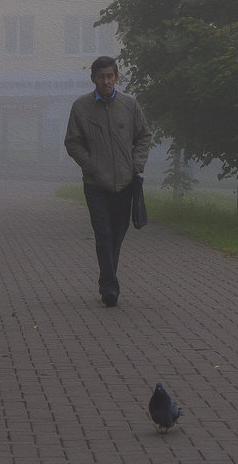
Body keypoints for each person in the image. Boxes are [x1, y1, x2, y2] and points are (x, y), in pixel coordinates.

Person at [64, 55, 153, 307]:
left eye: (110, 76)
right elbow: (72, 142)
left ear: (116, 77)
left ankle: (108, 279)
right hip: (95, 184)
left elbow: (144, 136)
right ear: (93, 79)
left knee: (117, 234)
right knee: (103, 234)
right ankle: (109, 287)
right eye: (101, 76)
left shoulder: (130, 105)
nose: (106, 81)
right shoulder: (81, 108)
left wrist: (136, 165)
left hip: (125, 184)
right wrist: (90, 165)